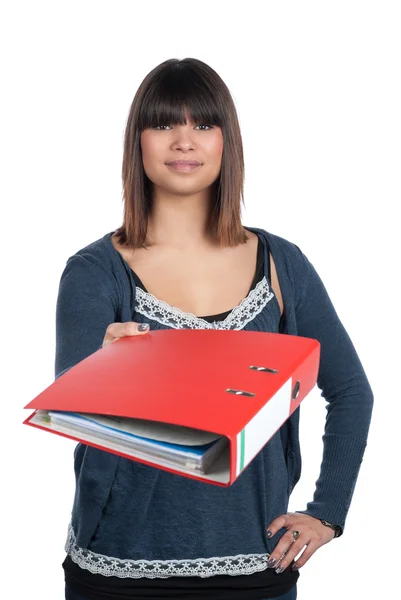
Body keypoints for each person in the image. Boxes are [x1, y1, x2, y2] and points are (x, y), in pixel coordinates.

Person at [55, 58, 374, 600]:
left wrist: (328, 514)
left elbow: (349, 391)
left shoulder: (281, 263)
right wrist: (101, 371)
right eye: (163, 124)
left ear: (228, 141)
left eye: (203, 124)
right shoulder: (94, 270)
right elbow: (71, 410)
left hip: (257, 563)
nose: (184, 141)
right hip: (117, 570)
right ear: (138, 142)